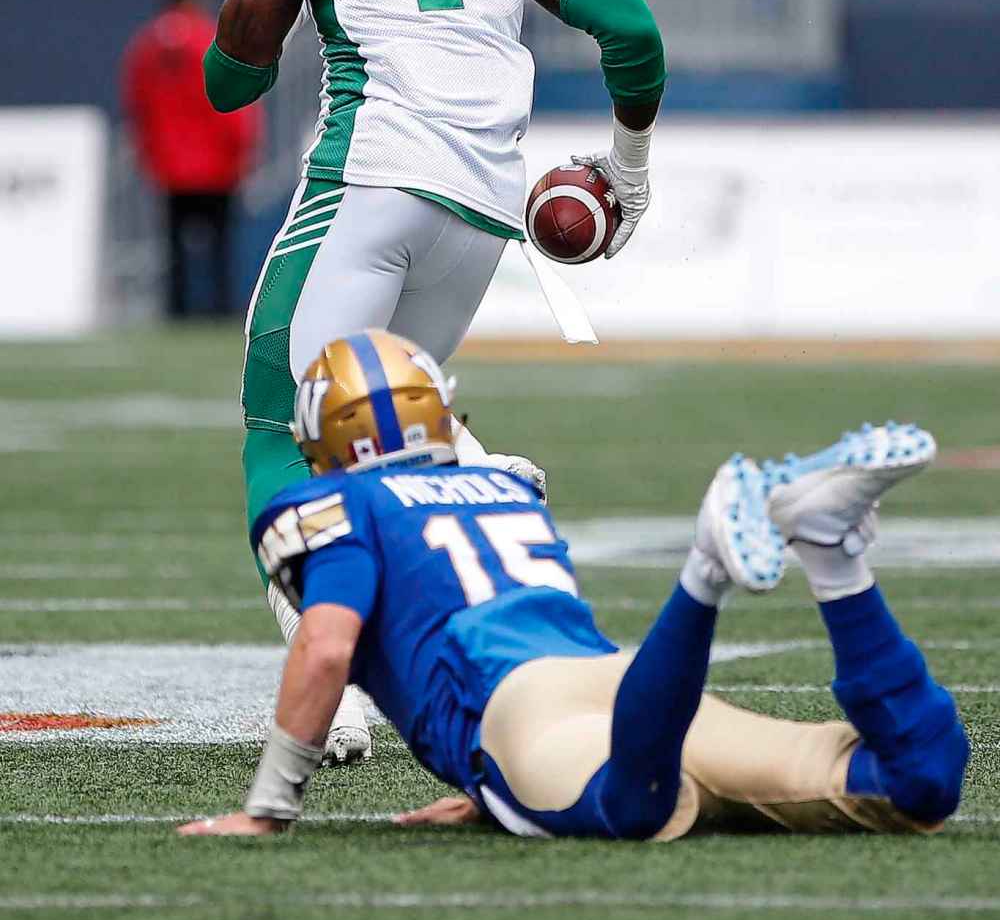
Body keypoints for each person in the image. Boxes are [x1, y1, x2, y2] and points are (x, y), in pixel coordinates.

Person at [200, 0, 666, 757]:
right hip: (481, 210)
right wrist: (627, 177)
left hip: (368, 183)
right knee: (394, 431)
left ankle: (341, 685)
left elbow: (234, 75)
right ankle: (482, 515)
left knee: (287, 426)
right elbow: (631, 29)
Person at [180, 329, 969, 842]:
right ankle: (835, 558)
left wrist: (268, 810)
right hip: (615, 679)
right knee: (915, 787)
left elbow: (324, 650)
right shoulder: (505, 486)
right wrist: (493, 791)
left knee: (635, 804)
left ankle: (703, 572)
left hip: (531, 722)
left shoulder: (338, 502)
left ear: (324, 441)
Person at [121, 0, 263, 319]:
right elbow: (235, 103)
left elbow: (137, 107)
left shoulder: (144, 47)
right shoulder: (210, 38)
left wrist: (148, 156)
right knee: (221, 247)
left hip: (170, 167)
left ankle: (177, 311)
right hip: (217, 165)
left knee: (174, 248)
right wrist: (246, 153)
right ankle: (220, 309)